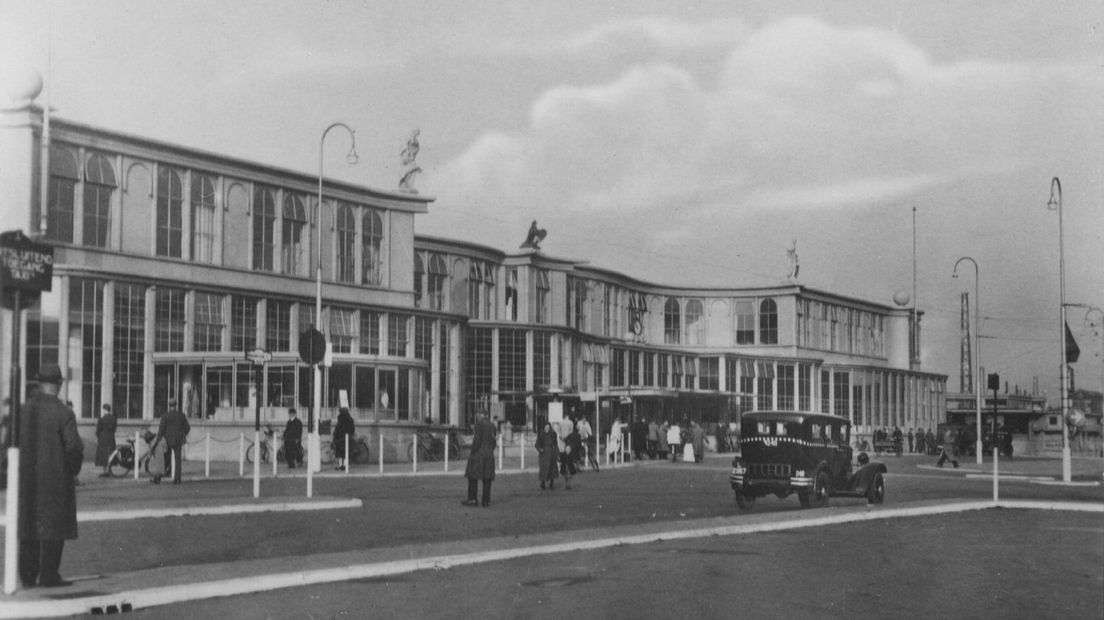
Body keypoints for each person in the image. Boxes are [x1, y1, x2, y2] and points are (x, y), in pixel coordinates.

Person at [18, 364, 84, 588]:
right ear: (59, 384)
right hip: (56, 481)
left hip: (27, 481)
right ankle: (48, 574)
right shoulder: (64, 413)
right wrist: (71, 470)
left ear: (38, 383)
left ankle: (27, 576)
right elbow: (74, 447)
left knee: (28, 526)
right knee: (54, 529)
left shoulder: (23, 410)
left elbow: (7, 443)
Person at [463, 411, 496, 507]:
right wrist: (490, 450)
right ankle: (486, 501)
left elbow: (476, 441)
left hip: (479, 454)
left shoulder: (479, 425)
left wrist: (473, 451)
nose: (477, 417)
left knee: (472, 476)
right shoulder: (492, 426)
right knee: (487, 478)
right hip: (489, 454)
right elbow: (494, 442)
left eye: (478, 415)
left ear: (481, 416)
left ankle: (472, 499)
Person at [155, 399, 190, 484]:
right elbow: (187, 427)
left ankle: (160, 476)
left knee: (165, 458)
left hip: (168, 440)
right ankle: (177, 479)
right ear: (176, 405)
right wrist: (182, 434)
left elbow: (161, 430)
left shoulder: (165, 416)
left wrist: (158, 440)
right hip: (178, 440)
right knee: (178, 460)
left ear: (169, 405)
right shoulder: (181, 415)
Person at [94, 404, 116, 477]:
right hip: (111, 438)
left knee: (103, 455)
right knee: (110, 454)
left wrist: (97, 435)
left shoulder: (101, 419)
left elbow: (98, 430)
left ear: (104, 410)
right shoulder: (113, 418)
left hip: (103, 439)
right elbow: (114, 429)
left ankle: (105, 471)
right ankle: (110, 470)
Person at [536, 421, 559, 490]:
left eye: (548, 427)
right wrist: (540, 449)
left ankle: (551, 483)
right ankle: (543, 483)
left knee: (552, 468)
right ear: (544, 427)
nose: (547, 429)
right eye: (546, 427)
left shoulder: (553, 434)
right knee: (543, 468)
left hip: (551, 453)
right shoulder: (541, 434)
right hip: (543, 454)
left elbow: (555, 444)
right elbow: (537, 444)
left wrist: (557, 453)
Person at [558, 419, 577, 489]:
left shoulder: (571, 437)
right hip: (565, 457)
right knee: (565, 471)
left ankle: (568, 483)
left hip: (569, 458)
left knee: (568, 471)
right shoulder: (564, 439)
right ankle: (567, 483)